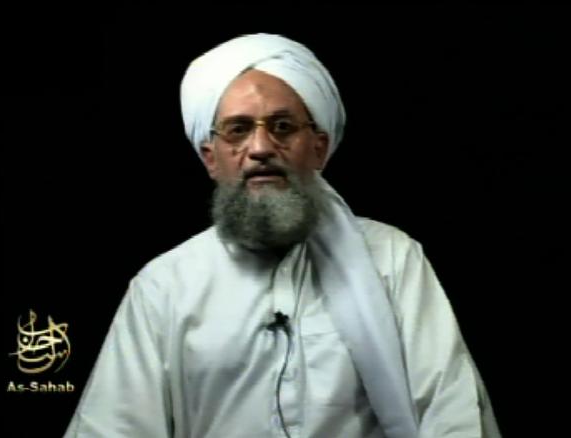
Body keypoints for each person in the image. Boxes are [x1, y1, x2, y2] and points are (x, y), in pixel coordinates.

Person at [64, 33, 501, 438]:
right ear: (210, 157)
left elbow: (452, 413)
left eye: (283, 127)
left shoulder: (392, 259)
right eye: (238, 130)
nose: (260, 148)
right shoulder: (164, 287)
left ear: (319, 148)